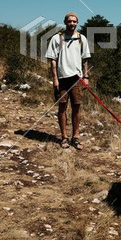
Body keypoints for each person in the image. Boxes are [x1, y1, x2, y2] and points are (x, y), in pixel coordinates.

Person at [45, 12, 91, 149]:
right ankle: (64, 137)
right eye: (69, 21)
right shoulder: (57, 39)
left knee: (77, 107)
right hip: (62, 78)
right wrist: (55, 79)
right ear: (65, 22)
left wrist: (86, 77)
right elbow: (52, 60)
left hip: (77, 79)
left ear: (77, 23)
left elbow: (85, 60)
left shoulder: (82, 39)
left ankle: (75, 137)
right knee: (62, 107)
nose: (72, 24)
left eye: (74, 21)